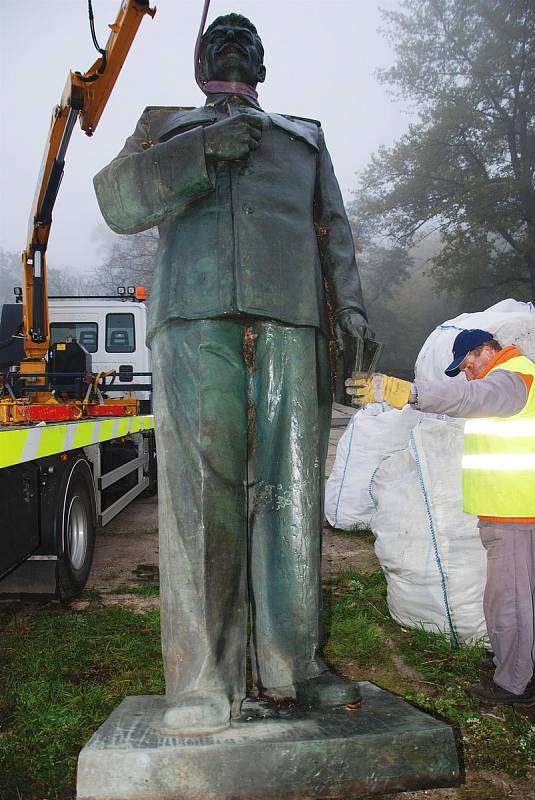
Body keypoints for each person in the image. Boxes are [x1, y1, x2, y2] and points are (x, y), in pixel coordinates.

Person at [94, 13, 368, 733]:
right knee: (201, 500)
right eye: (222, 36)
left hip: (291, 314)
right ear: (198, 63)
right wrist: (202, 150)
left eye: (249, 39)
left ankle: (291, 666)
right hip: (195, 315)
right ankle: (203, 682)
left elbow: (331, 228)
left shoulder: (303, 135)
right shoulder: (163, 123)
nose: (236, 41)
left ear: (264, 67)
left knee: (292, 493)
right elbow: (117, 201)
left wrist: (351, 310)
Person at [347, 328, 535, 707]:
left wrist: (407, 393)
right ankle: (514, 661)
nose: (467, 374)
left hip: (515, 513)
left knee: (510, 600)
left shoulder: (513, 379)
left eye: (468, 365)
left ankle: (516, 685)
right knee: (515, 597)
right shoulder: (511, 378)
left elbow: (468, 397)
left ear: (486, 351)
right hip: (509, 511)